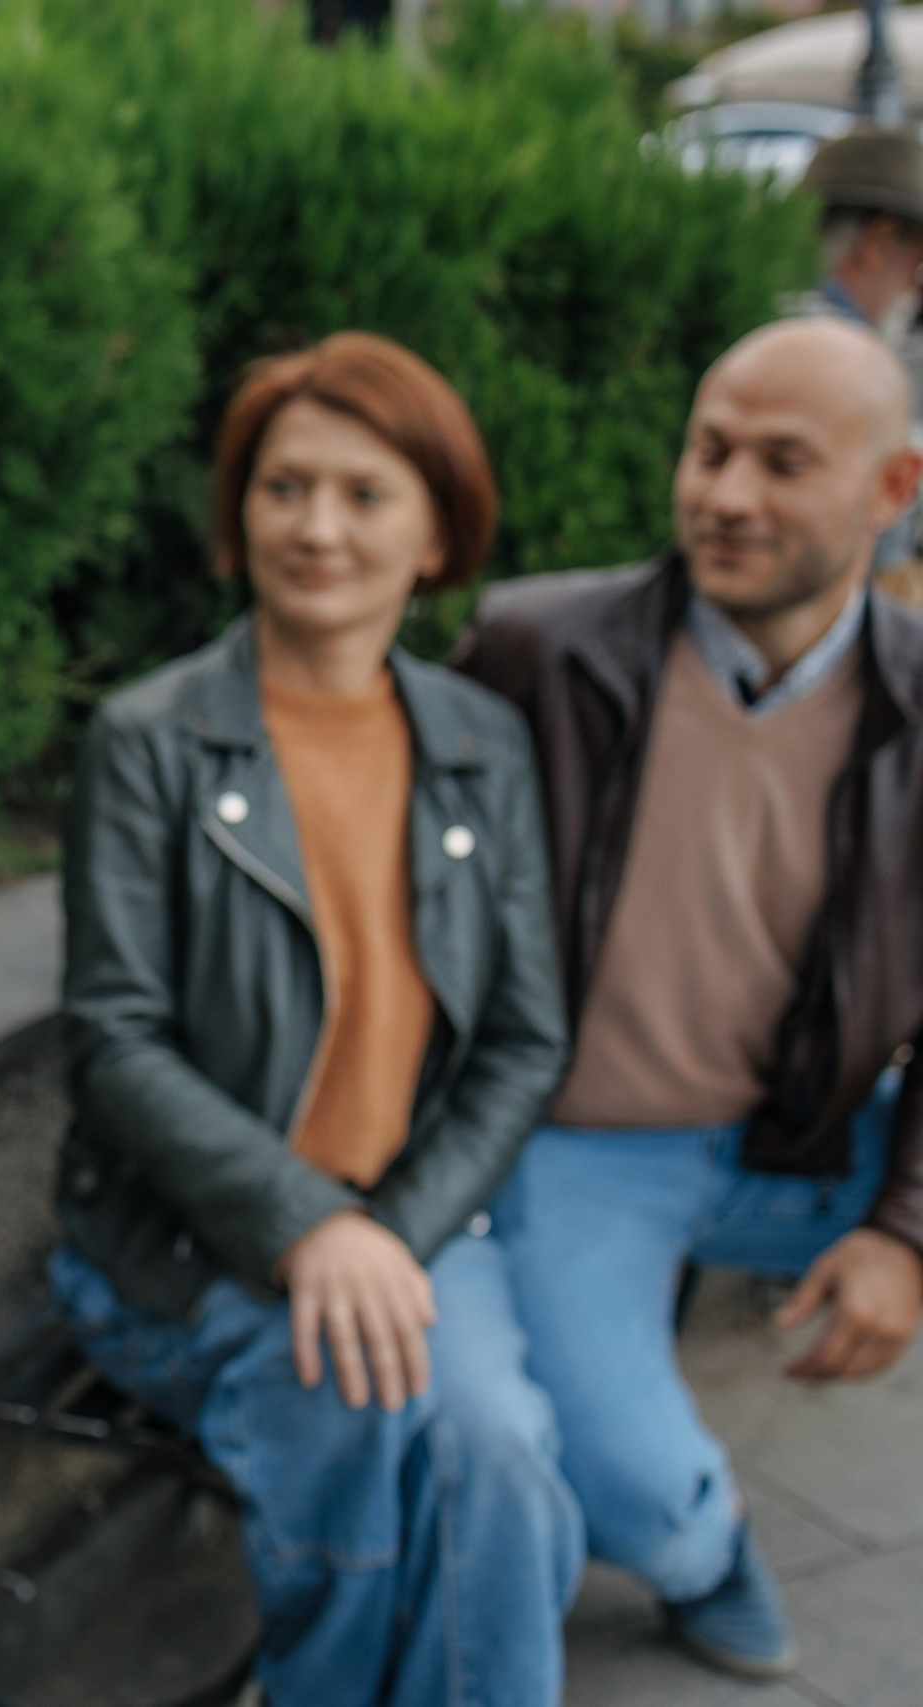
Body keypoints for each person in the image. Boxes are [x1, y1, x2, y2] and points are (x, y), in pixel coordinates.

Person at [52, 332, 579, 1706]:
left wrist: (378, 1232)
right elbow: (113, 1037)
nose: (316, 526)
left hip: (407, 1221)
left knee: (502, 1458)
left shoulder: (481, 741)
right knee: (353, 1413)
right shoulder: (148, 738)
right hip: (184, 1243)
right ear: (240, 511)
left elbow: (525, 1037)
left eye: (363, 493)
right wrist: (302, 1220)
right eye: (284, 486)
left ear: (435, 530)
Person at [453, 317, 923, 1680]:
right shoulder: (537, 647)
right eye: (711, 449)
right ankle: (703, 1548)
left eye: (784, 463)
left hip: (811, 1132)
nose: (725, 495)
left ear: (893, 491)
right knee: (641, 1496)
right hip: (590, 1144)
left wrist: (903, 1228)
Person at [789, 127, 923, 569]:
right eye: (918, 262)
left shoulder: (775, 312)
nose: (915, 285)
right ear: (880, 240)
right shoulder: (834, 356)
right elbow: (883, 540)